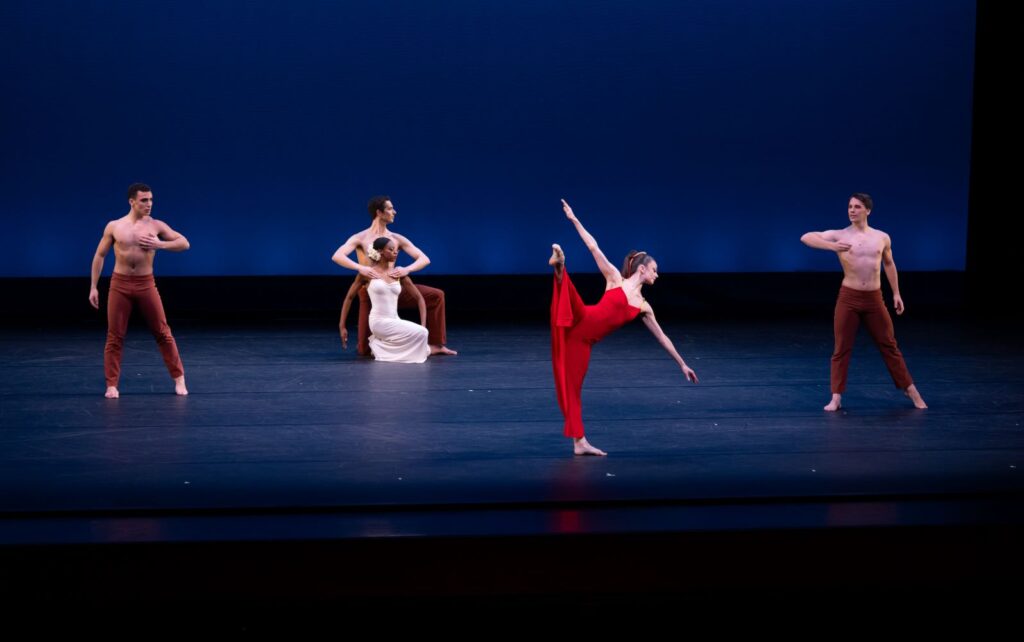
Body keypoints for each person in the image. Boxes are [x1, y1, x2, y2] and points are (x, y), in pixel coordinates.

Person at [551, 199, 698, 456]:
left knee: (572, 390)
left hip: (583, 343)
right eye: (654, 270)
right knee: (573, 298)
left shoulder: (643, 306)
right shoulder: (614, 278)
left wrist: (682, 363)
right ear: (642, 269)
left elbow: (662, 338)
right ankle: (561, 265)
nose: (657, 275)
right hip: (582, 317)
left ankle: (579, 443)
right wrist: (574, 218)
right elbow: (593, 246)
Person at [800, 192, 927, 411]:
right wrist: (832, 247)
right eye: (850, 206)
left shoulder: (882, 237)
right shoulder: (840, 234)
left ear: (868, 210)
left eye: (857, 207)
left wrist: (896, 293)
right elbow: (806, 237)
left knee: (889, 344)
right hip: (849, 297)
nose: (852, 210)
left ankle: (911, 390)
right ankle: (836, 397)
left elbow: (889, 264)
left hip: (874, 299)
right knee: (841, 348)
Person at [89, 183, 189, 398]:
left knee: (163, 332)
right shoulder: (115, 226)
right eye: (144, 200)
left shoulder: (156, 226)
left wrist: (160, 245)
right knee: (115, 336)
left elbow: (184, 243)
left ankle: (179, 379)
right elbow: (100, 255)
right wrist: (93, 287)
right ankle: (112, 385)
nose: (149, 204)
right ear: (132, 201)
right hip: (120, 284)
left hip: (146, 284)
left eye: (151, 200)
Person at [331, 196, 456, 355]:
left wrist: (407, 269)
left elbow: (424, 259)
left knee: (436, 296)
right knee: (364, 351)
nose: (394, 212)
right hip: (371, 291)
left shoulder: (396, 238)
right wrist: (360, 268)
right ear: (379, 212)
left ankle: (437, 345)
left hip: (393, 288)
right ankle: (384, 344)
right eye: (390, 209)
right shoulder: (360, 238)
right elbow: (337, 256)